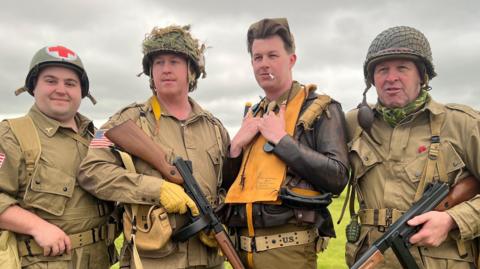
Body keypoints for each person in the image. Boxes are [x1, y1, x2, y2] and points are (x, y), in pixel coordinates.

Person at [77, 25, 229, 269]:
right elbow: (91, 171)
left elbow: (225, 187)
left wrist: (218, 218)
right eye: (158, 63)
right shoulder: (122, 122)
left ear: (192, 70)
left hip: (208, 260)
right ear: (150, 72)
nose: (166, 69)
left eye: (174, 61)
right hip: (151, 261)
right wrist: (155, 189)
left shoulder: (215, 128)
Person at [345, 26, 480, 268]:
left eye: (402, 68)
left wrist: (453, 219)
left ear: (422, 75)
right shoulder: (354, 124)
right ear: (371, 79)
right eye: (382, 69)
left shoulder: (462, 123)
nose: (391, 77)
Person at [221, 18, 349, 269]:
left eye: (273, 55)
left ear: (291, 60)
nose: (264, 64)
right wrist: (235, 148)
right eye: (258, 58)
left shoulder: (321, 108)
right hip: (240, 252)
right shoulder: (252, 115)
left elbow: (337, 176)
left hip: (288, 252)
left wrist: (282, 140)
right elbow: (229, 187)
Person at [0, 45, 116, 268]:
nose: (61, 90)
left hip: (101, 260)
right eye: (51, 81)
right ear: (33, 86)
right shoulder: (10, 135)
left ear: (82, 92)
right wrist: (36, 226)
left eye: (70, 83)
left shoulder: (99, 138)